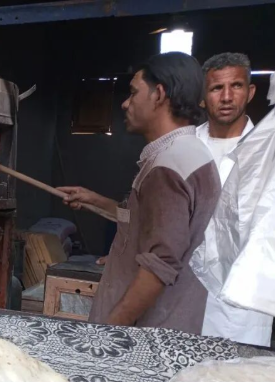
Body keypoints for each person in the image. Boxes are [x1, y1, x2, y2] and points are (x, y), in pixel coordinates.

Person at [58, 52, 221, 334]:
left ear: (159, 94)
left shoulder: (168, 166)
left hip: (145, 336)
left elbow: (160, 264)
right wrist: (93, 200)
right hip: (170, 327)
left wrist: (109, 332)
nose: (125, 103)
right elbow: (150, 221)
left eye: (133, 93)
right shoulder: (191, 153)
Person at [192, 52, 273, 346]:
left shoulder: (267, 152)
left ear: (250, 92)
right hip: (183, 290)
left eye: (236, 86)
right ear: (202, 97)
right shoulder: (186, 146)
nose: (226, 97)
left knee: (235, 370)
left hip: (240, 303)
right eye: (216, 88)